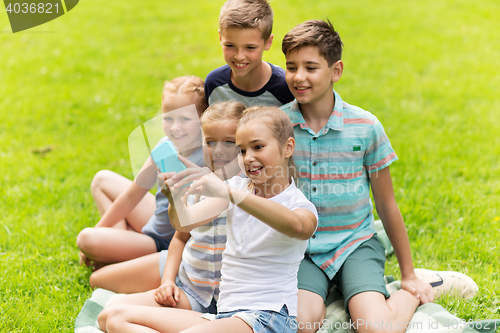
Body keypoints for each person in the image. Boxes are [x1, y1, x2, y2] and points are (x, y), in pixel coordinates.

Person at [280, 20, 479, 333]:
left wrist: (409, 273)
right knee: (301, 326)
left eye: (310, 67)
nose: (299, 77)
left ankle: (410, 292)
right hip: (304, 250)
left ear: (336, 70)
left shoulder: (366, 126)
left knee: (376, 329)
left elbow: (386, 205)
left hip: (355, 243)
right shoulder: (279, 127)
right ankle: (330, 290)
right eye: (291, 67)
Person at [102, 106, 318, 333]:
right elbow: (184, 224)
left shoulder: (299, 205)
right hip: (226, 317)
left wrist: (229, 193)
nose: (248, 158)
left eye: (258, 147)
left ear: (288, 147)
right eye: (242, 150)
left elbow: (298, 226)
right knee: (116, 317)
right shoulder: (234, 188)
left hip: (268, 318)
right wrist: (175, 197)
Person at [95, 101, 246, 332]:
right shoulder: (199, 185)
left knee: (117, 319)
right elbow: (180, 238)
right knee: (106, 314)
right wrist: (167, 282)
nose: (218, 150)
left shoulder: (251, 188)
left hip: (231, 304)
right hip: (193, 291)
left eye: (229, 142)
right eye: (210, 142)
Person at [77, 76, 207, 270]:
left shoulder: (209, 156)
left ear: (203, 118)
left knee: (86, 239)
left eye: (185, 119)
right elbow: (131, 196)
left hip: (166, 243)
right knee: (101, 180)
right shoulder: (165, 147)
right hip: (155, 225)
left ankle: (116, 251)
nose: (175, 127)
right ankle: (117, 245)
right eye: (168, 118)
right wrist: (101, 229)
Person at [204, 0, 294, 108]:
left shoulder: (285, 87)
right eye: (230, 45)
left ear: (268, 42)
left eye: (250, 47)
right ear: (220, 37)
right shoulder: (214, 84)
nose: (239, 56)